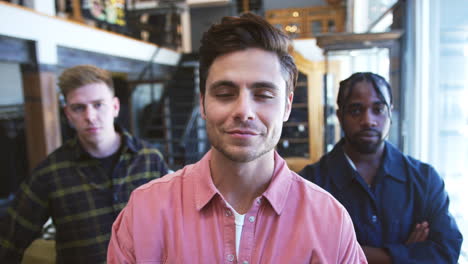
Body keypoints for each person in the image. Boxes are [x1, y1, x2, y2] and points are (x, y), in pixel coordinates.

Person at [107, 13, 367, 263]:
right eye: (224, 93)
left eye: (263, 94)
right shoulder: (145, 212)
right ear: (202, 103)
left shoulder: (330, 221)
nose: (244, 111)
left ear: (287, 106)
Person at [0, 65, 169, 263]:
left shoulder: (151, 160)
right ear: (68, 114)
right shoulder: (50, 174)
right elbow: (9, 243)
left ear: (115, 107)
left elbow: (174, 227)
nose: (89, 116)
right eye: (79, 107)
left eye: (98, 104)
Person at [300, 72, 463, 263]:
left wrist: (346, 251)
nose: (368, 120)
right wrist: (405, 254)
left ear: (390, 113)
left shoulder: (425, 179)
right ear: (340, 116)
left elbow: (446, 253)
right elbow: (303, 253)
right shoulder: (310, 183)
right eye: (355, 110)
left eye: (378, 109)